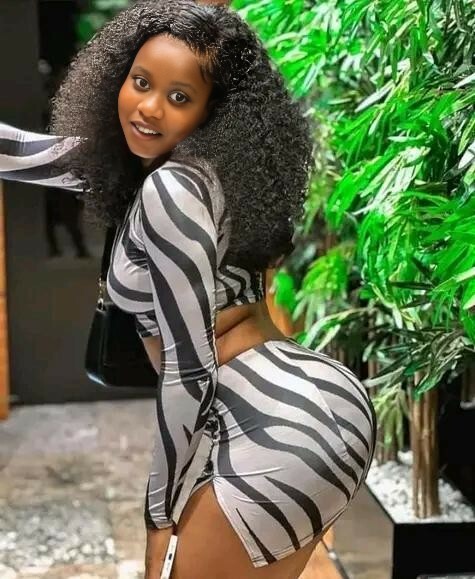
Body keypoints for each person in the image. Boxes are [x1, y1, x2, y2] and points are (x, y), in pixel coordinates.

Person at [0, 2, 376, 577]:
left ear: (211, 109)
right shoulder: (184, 169)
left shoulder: (172, 189)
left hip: (269, 422)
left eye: (179, 96)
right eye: (140, 82)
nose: (149, 107)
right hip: (309, 405)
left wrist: (160, 517)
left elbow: (191, 369)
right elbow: (20, 152)